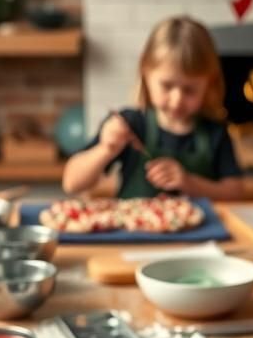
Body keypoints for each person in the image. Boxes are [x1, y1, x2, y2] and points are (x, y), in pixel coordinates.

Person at [62, 16, 243, 201]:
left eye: (190, 90)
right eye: (166, 86)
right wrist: (106, 149)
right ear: (145, 72)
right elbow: (71, 183)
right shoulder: (131, 124)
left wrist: (189, 183)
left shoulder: (215, 131)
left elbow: (235, 193)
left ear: (209, 84)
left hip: (201, 229)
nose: (176, 100)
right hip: (133, 228)